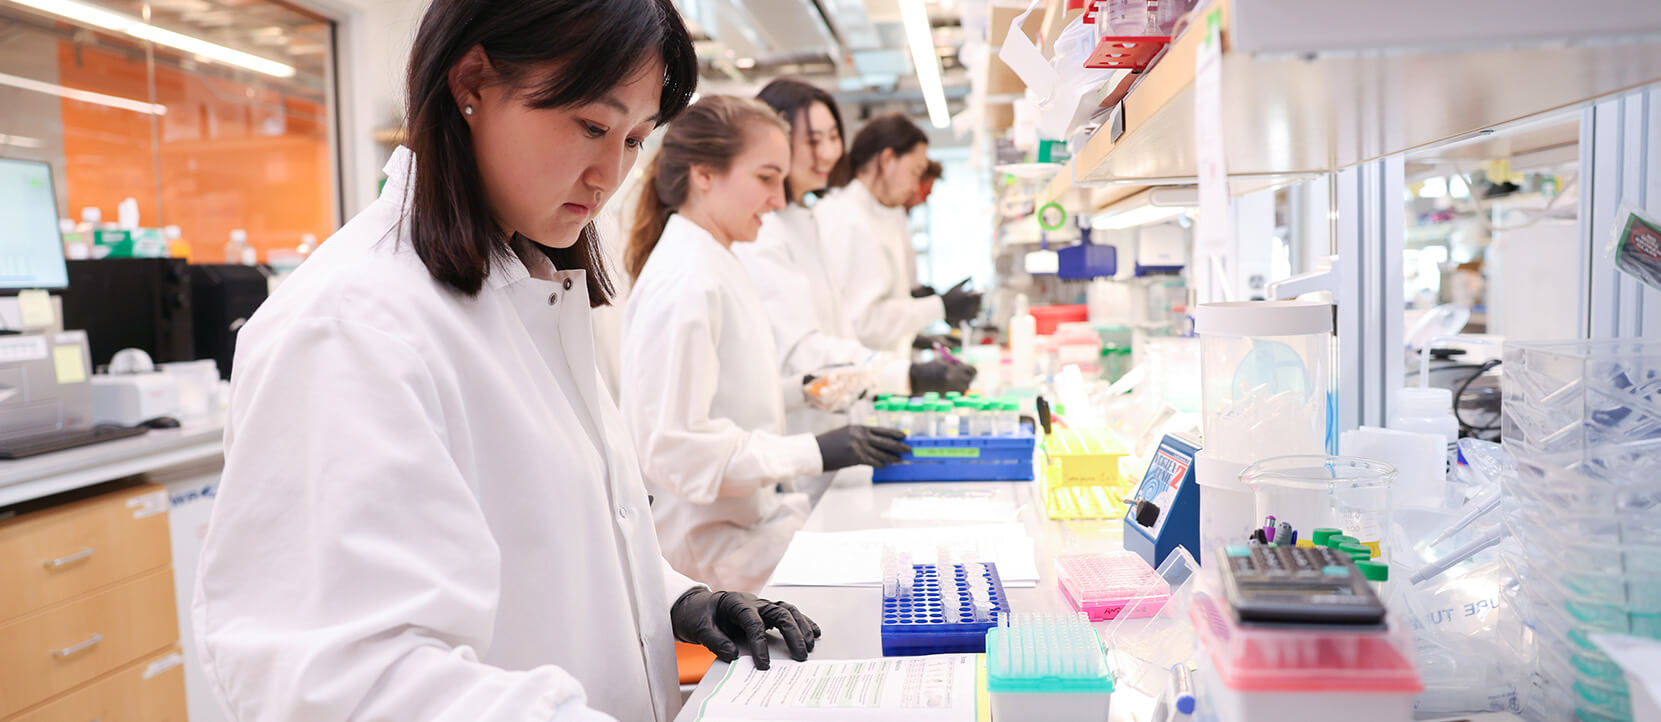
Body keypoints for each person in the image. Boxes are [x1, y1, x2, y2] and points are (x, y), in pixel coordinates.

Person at [191, 4, 819, 721]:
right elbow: (346, 681)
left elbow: (548, 543)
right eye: (590, 126)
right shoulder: (351, 327)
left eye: (635, 139)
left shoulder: (521, 293)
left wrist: (675, 598)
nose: (608, 172)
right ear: (472, 82)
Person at [620, 95, 911, 594]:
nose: (779, 200)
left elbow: (727, 396)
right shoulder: (688, 280)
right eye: (765, 178)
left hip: (748, 532)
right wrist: (814, 450)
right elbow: (675, 448)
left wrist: (806, 390)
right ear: (704, 175)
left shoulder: (715, 257)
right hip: (713, 561)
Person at [731, 79, 973, 448]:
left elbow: (838, 325)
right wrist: (906, 373)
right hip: (804, 429)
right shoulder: (772, 231)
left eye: (833, 136)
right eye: (813, 140)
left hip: (842, 406)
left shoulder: (805, 218)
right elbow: (806, 347)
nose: (828, 152)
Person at [816, 113, 982, 356]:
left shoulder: (884, 214)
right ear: (887, 160)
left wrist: (917, 334)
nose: (916, 187)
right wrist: (938, 307)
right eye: (915, 172)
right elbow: (861, 324)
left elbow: (889, 302)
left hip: (883, 370)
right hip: (861, 376)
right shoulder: (845, 217)